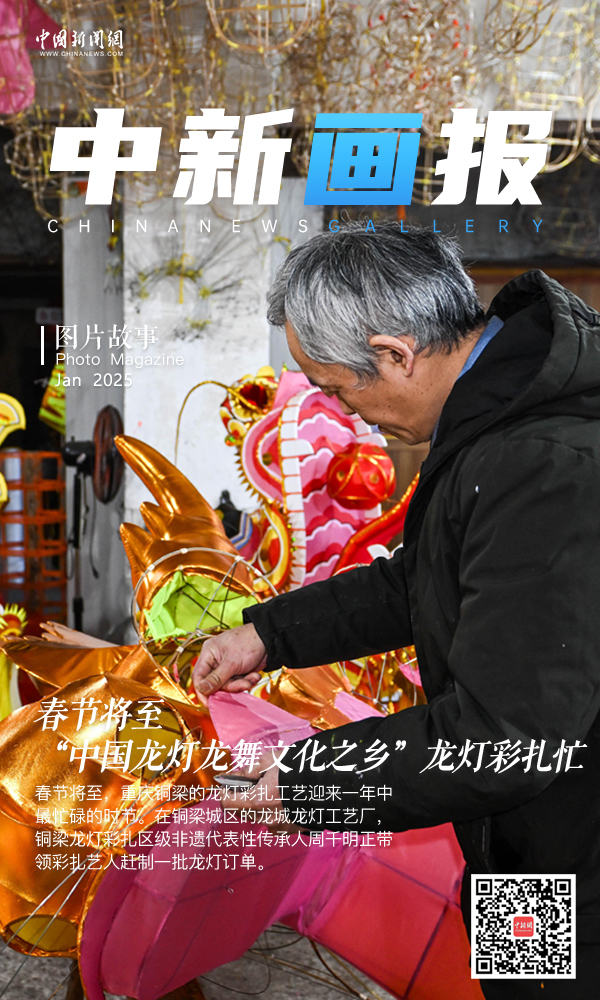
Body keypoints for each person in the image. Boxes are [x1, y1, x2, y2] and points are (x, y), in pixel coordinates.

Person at [192, 222, 600, 998]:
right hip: (522, 845)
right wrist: (267, 635)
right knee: (517, 987)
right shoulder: (492, 428)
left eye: (340, 389)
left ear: (395, 354)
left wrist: (308, 781)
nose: (348, 414)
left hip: (575, 859)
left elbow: (503, 737)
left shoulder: (546, 462)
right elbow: (425, 579)